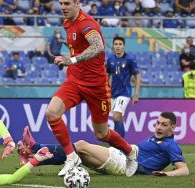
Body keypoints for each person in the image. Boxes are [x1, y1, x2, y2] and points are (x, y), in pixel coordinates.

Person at [49, 0, 138, 177]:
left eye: (67, 3)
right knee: (52, 113)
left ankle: (130, 152)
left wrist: (71, 60)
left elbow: (98, 47)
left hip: (97, 86)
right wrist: (65, 58)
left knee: (101, 134)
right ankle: (71, 157)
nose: (63, 7)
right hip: (74, 81)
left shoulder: (87, 23)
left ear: (77, 3)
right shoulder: (67, 23)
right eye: (61, 3)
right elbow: (77, 50)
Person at [18, 112, 190, 177]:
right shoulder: (156, 138)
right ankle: (33, 158)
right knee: (76, 153)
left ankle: (34, 147)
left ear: (173, 127)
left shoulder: (171, 145)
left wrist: (167, 175)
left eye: (164, 125)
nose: (159, 127)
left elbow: (184, 169)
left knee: (81, 145)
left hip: (126, 165)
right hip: (122, 159)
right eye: (158, 123)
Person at [106, 36, 141, 138]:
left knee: (116, 116)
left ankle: (117, 144)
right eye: (116, 44)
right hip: (113, 93)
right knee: (119, 118)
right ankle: (122, 144)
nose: (118, 46)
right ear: (113, 46)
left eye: (120, 44)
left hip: (125, 93)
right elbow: (107, 75)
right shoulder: (110, 59)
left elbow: (138, 77)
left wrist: (136, 94)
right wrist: (106, 91)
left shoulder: (130, 59)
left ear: (124, 46)